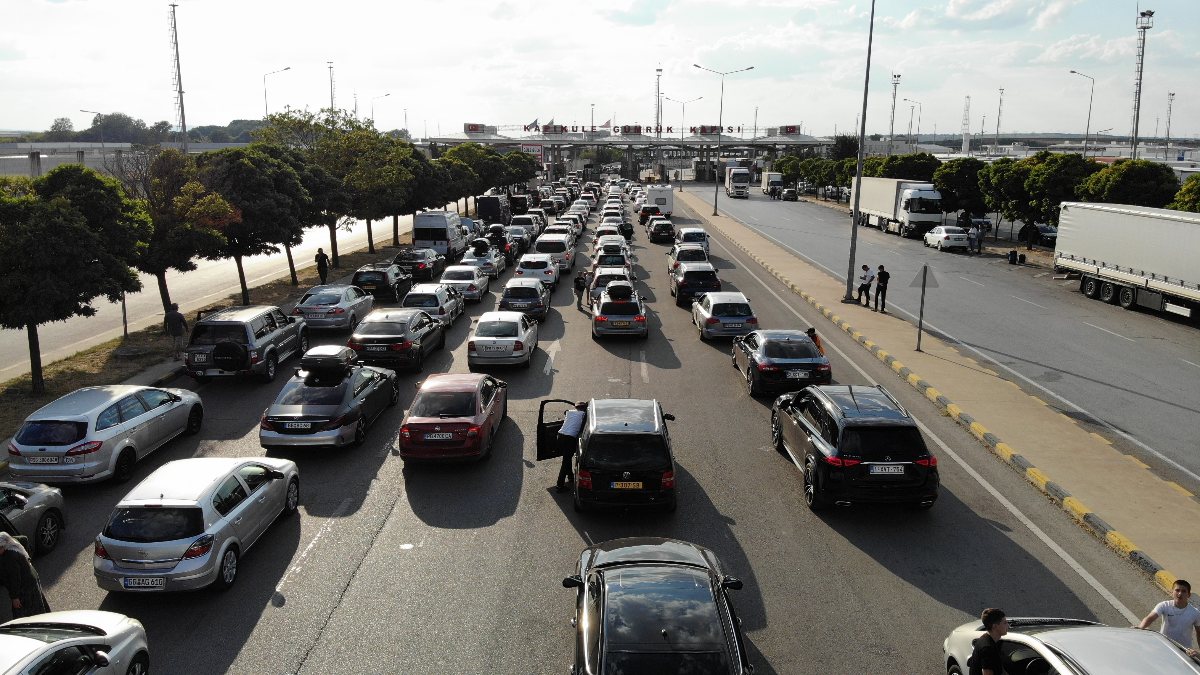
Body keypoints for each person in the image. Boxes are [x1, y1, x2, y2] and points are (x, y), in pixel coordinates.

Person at [1136, 579, 1200, 657]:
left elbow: (1199, 634)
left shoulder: (1195, 613)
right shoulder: (1164, 605)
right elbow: (1149, 619)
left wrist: (1198, 653)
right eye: (1177, 590)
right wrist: (1140, 628)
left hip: (1184, 652)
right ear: (1172, 592)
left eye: (1183, 591)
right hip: (1165, 646)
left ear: (1188, 595)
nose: (1180, 593)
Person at [0, 532, 50, 619]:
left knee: (27, 613)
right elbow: (24, 538)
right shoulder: (11, 541)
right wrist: (27, 559)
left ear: (4, 546)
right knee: (38, 604)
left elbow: (15, 579)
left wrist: (15, 597)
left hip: (26, 586)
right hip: (32, 575)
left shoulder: (10, 558)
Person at [557, 402, 587, 493]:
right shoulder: (584, 415)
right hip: (570, 438)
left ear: (576, 407)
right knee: (565, 461)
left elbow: (565, 412)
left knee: (567, 457)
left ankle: (570, 476)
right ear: (584, 408)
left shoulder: (569, 412)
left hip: (560, 436)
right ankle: (559, 485)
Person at [967, 607, 1007, 675]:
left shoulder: (985, 639)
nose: (1008, 625)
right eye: (1005, 623)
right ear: (995, 626)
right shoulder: (987, 648)